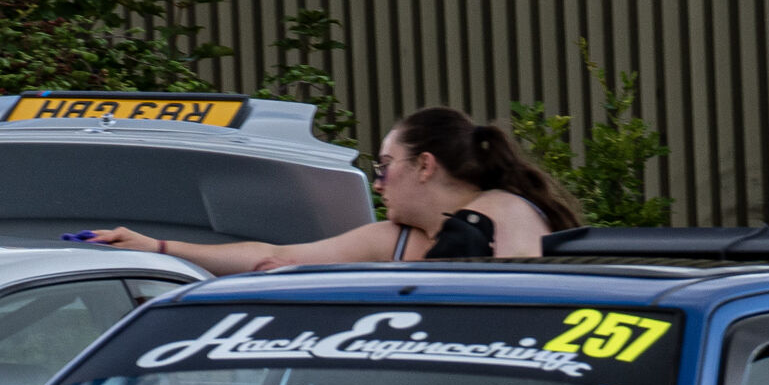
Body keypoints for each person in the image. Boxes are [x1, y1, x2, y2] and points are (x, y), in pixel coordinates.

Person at [85, 105, 581, 271]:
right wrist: (157, 247)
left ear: (425, 166)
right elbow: (273, 257)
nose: (379, 184)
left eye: (385, 166)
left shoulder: (505, 210)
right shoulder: (394, 238)